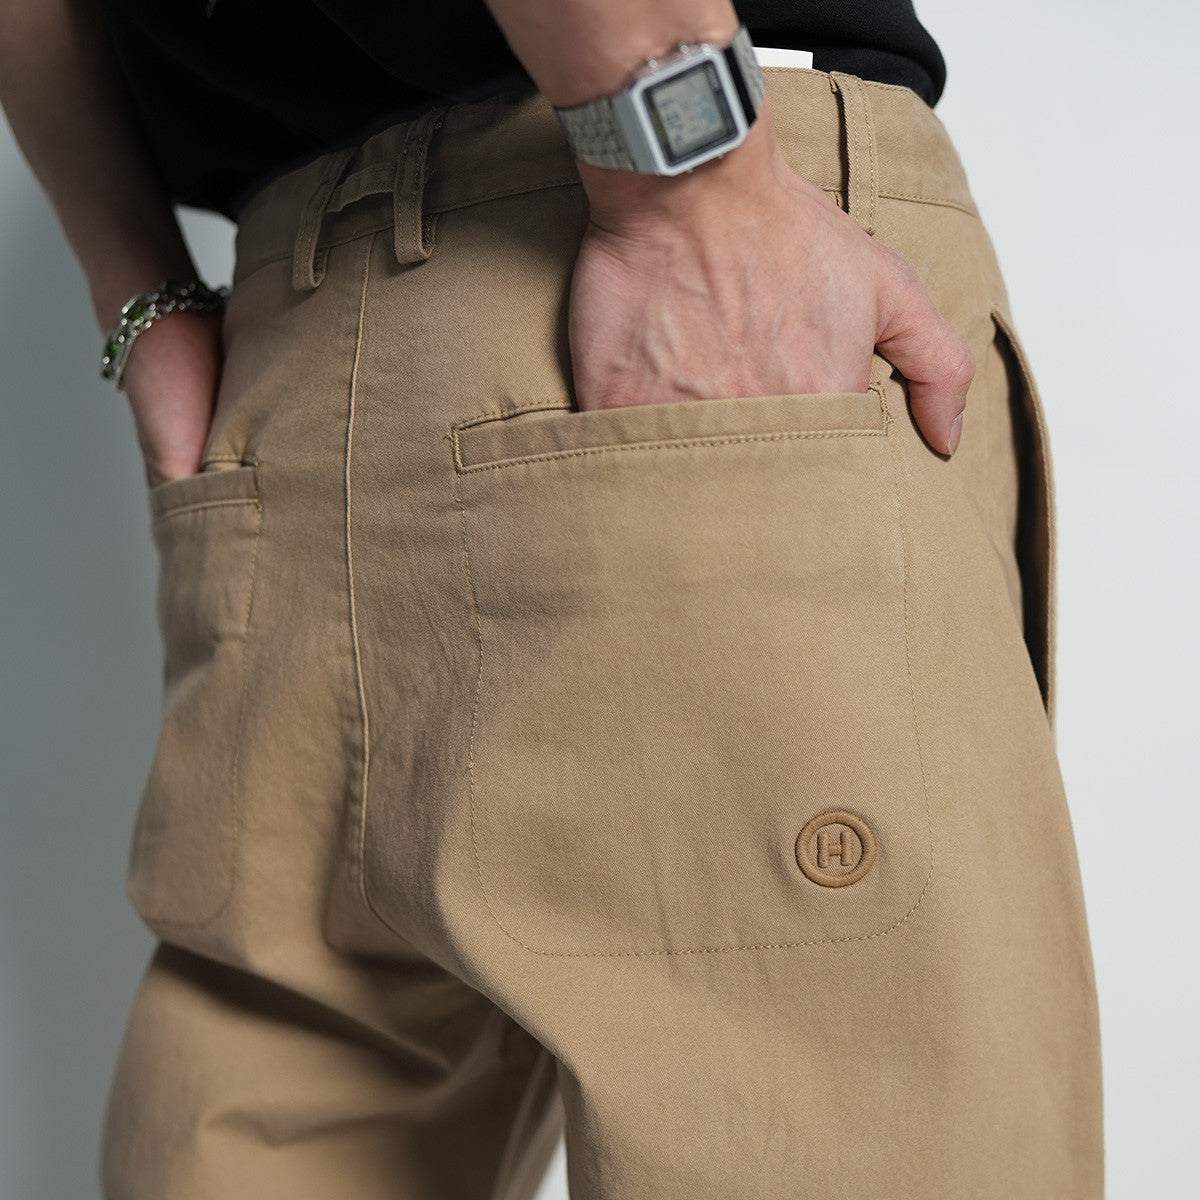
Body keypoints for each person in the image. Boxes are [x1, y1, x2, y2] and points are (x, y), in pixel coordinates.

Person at [0, 1, 1103, 1196]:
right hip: (632, 257)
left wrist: (139, 290)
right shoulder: (681, 202)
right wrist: (693, 184)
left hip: (285, 375)